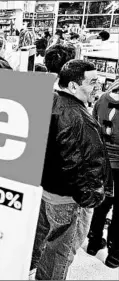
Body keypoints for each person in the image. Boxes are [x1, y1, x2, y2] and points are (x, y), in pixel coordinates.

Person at [30, 60, 112, 280]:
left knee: (41, 244)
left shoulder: (48, 101)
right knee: (59, 254)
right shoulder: (80, 119)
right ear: (74, 86)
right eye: (92, 82)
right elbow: (85, 166)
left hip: (44, 192)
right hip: (67, 200)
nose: (98, 86)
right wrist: (91, 199)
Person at [87, 79, 119, 269]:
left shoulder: (102, 99)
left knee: (102, 203)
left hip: (102, 161)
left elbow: (93, 125)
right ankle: (114, 255)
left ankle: (93, 242)